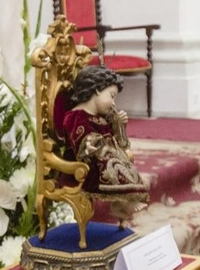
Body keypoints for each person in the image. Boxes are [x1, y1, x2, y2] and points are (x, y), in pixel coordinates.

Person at [56, 63, 150, 221]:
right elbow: (80, 139)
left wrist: (119, 126)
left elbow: (119, 142)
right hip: (85, 166)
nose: (113, 103)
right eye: (112, 95)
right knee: (111, 160)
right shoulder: (76, 116)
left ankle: (121, 203)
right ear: (97, 90)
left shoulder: (101, 118)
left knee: (119, 159)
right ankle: (121, 202)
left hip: (102, 159)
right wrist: (89, 144)